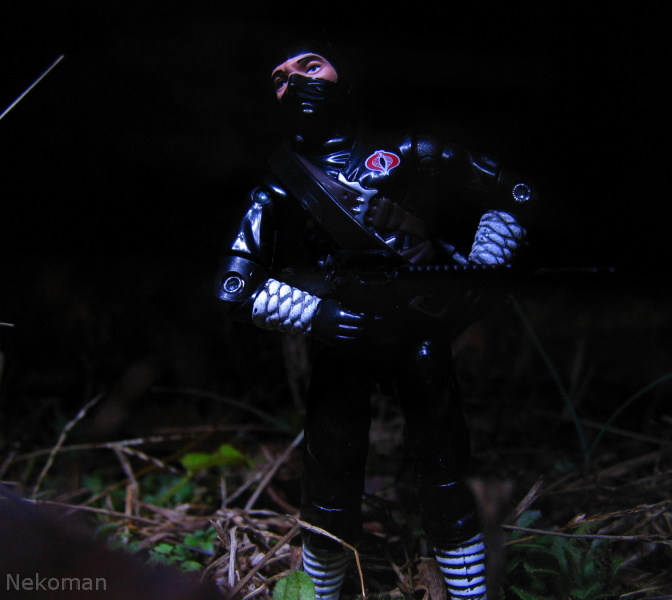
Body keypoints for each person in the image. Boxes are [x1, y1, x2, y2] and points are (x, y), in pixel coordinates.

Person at [214, 40, 537, 600]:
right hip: (343, 339)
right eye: (281, 77)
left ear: (345, 73)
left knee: (444, 465)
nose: (296, 81)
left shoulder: (408, 152)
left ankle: (469, 589)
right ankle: (322, 589)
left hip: (419, 327)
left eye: (310, 65)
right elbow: (234, 284)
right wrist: (317, 313)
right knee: (330, 471)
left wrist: (484, 264)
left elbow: (514, 193)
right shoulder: (280, 184)